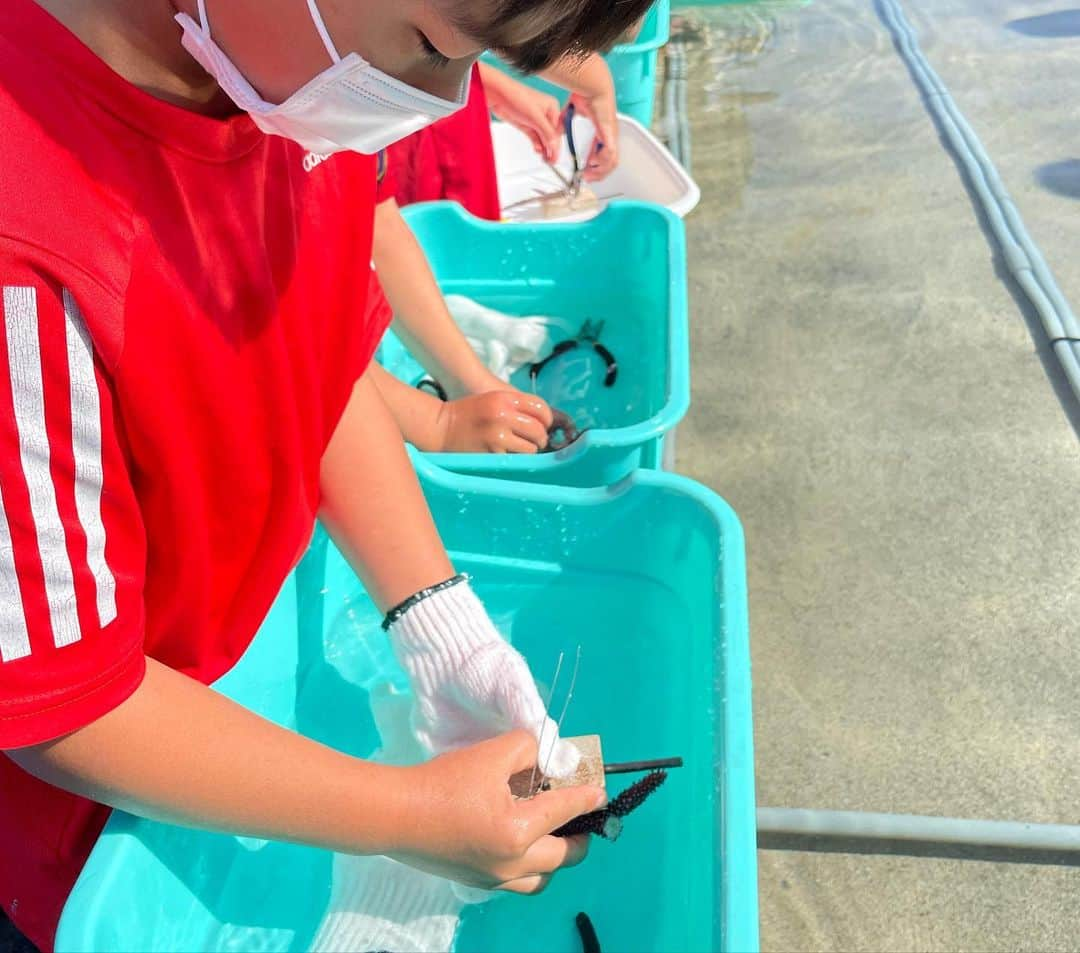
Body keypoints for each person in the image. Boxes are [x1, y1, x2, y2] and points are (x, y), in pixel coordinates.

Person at [0, 0, 653, 949]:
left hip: (218, 673)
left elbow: (320, 362)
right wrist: (408, 814)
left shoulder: (281, 92)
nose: (441, 104)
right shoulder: (29, 257)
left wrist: (440, 619)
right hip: (86, 828)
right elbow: (63, 702)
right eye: (435, 48)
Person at [368, 55, 621, 453]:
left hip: (416, 103)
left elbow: (382, 229)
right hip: (388, 111)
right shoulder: (322, 119)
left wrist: (474, 387)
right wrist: (440, 424)